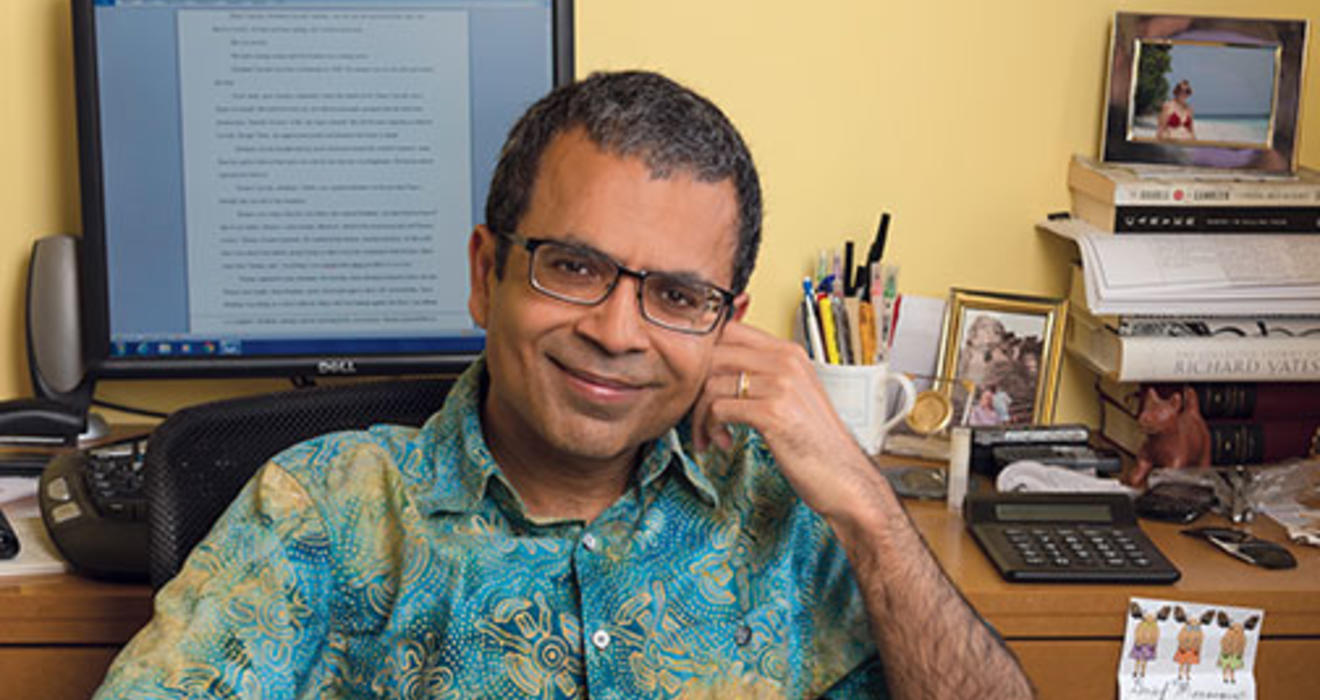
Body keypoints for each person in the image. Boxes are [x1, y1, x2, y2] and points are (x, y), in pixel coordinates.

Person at [95, 71, 1032, 699]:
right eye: (574, 268)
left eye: (676, 295)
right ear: (483, 271)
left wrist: (869, 508)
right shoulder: (328, 511)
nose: (616, 332)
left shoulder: (789, 513)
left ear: (727, 320)